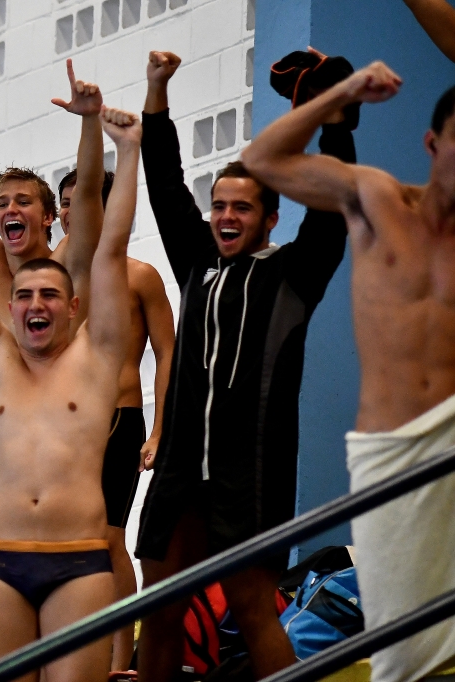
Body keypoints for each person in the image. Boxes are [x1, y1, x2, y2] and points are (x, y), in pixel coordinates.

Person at [132, 50, 357, 681]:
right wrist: (157, 91)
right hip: (179, 471)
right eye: (220, 206)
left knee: (254, 606)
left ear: (270, 217)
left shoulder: (295, 274)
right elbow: (165, 182)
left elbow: (335, 199)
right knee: (161, 608)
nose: (226, 217)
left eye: (243, 208)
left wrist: (335, 119)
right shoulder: (200, 265)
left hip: (249, 475)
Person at [242, 63, 455, 682]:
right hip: (387, 449)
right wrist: (341, 94)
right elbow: (262, 158)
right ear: (432, 144)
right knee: (405, 651)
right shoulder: (375, 198)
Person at [0, 106, 138, 682]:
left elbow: (109, 245)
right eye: (23, 297)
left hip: (80, 561)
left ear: (73, 307)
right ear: (9, 308)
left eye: (50, 294)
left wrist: (125, 148)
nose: (35, 305)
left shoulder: (96, 360)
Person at [57, 167, 176, 672]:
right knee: (70, 543)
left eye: (76, 201)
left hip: (120, 421)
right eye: (62, 202)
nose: (67, 212)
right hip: (69, 425)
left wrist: (159, 428)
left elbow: (169, 354)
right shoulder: (57, 277)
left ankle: (121, 651)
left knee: (108, 539)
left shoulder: (140, 275)